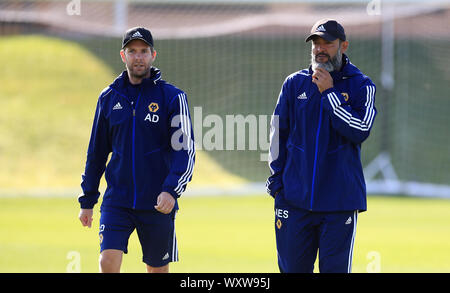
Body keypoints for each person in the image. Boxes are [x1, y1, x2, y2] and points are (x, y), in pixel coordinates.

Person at [78, 27, 195, 273]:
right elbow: (96, 152)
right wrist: (88, 199)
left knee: (157, 270)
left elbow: (184, 152)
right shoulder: (108, 97)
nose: (138, 57)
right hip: (117, 201)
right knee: (107, 262)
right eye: (132, 51)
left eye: (143, 51)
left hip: (156, 203)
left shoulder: (172, 98)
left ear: (153, 55)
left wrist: (171, 190)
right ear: (123, 56)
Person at [266, 19, 377, 273]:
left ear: (343, 45)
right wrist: (277, 186)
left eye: (327, 42)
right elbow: (277, 136)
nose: (320, 49)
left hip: (339, 205)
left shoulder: (361, 85)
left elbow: (360, 130)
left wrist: (329, 93)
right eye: (316, 43)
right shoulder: (294, 83)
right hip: (294, 203)